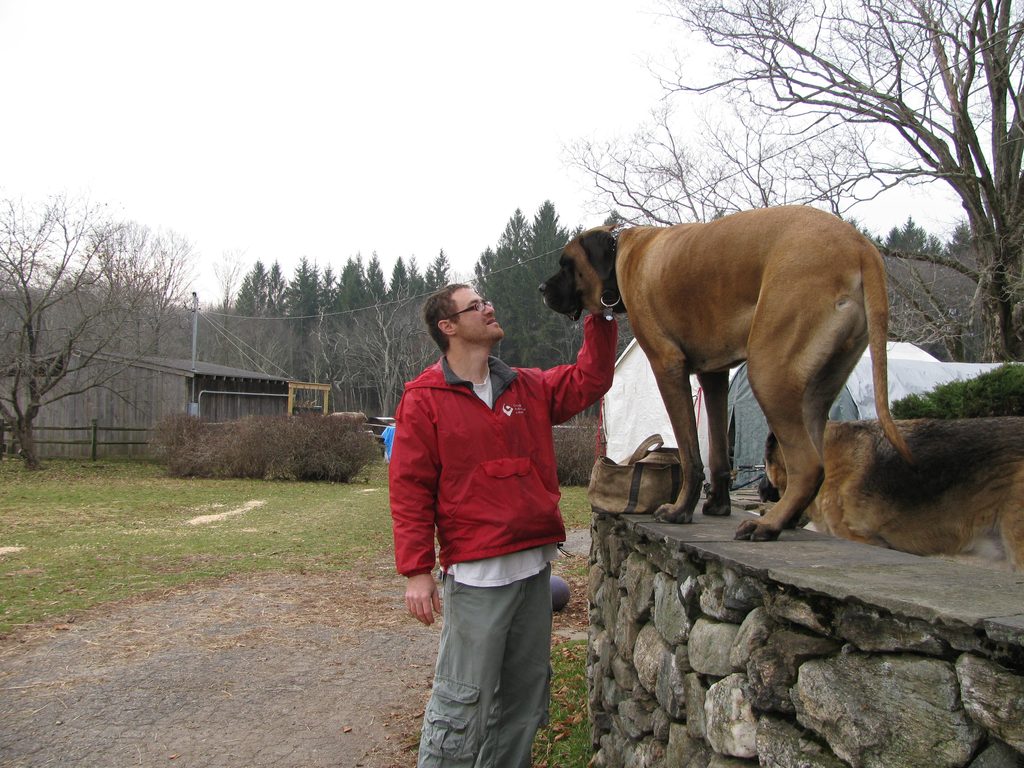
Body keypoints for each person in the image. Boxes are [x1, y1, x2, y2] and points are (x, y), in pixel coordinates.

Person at [388, 283, 617, 767]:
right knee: (462, 704)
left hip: (534, 572)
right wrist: (417, 570)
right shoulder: (425, 398)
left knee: (523, 700)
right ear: (448, 327)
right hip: (477, 581)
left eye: (487, 300)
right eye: (476, 306)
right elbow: (410, 489)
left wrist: (600, 312)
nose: (490, 307)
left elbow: (591, 378)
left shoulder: (527, 386)